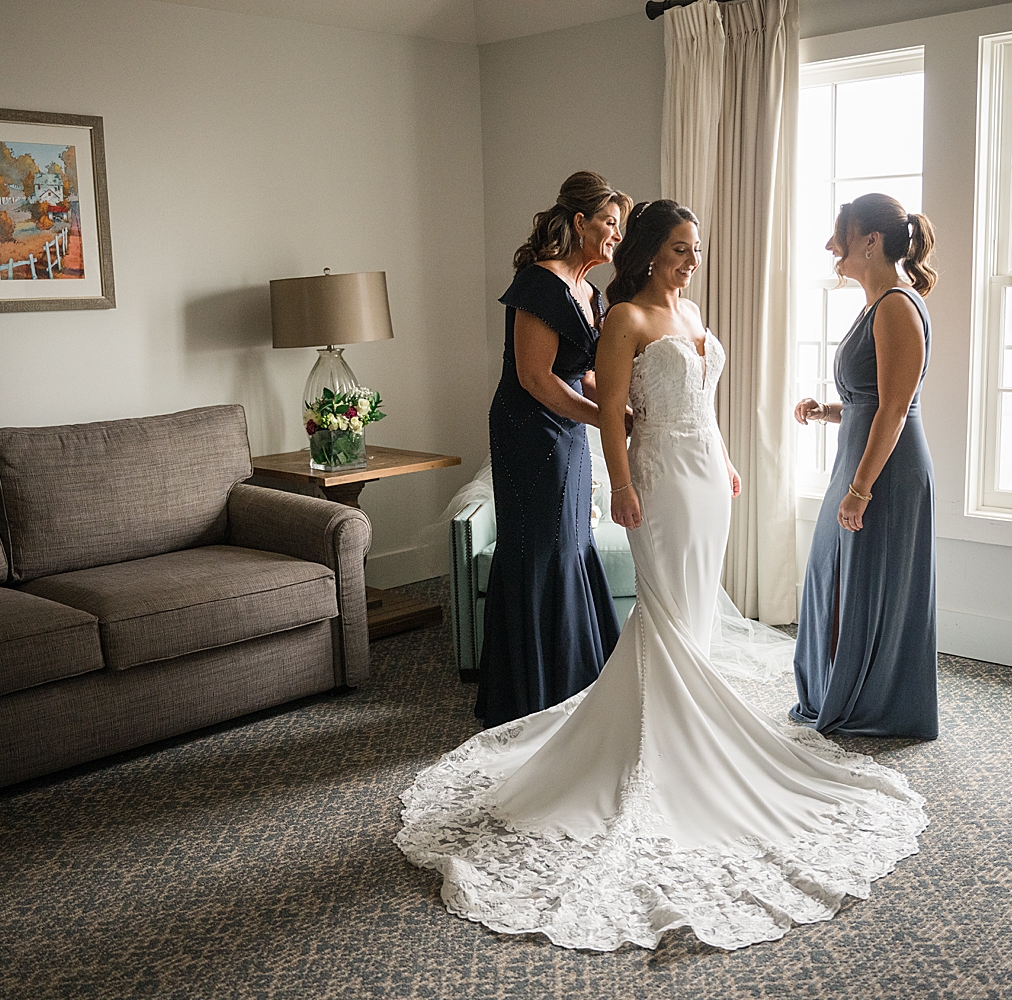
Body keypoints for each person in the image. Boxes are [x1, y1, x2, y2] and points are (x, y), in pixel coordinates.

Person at [397, 200, 927, 952]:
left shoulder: (693, 310)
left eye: (695, 249)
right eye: (679, 248)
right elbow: (611, 413)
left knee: (696, 618)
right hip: (659, 480)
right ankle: (658, 752)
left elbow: (701, 399)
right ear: (648, 253)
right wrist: (619, 484)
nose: (691, 260)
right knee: (668, 613)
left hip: (707, 475)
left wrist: (728, 459)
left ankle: (689, 738)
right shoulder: (626, 321)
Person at [473, 171, 634, 728]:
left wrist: (615, 410)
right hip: (528, 429)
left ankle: (576, 676)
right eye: (610, 224)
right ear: (580, 222)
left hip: (566, 430)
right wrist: (606, 420)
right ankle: (528, 690)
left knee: (571, 542)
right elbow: (535, 376)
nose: (616, 236)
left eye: (620, 227)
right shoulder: (539, 283)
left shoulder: (588, 291)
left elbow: (581, 372)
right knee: (538, 546)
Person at [791, 193, 939, 740]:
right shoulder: (880, 303)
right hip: (860, 465)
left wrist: (860, 489)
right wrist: (830, 409)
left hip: (883, 475)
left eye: (841, 236)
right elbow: (874, 398)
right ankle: (839, 688)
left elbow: (897, 408)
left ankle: (871, 701)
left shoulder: (898, 305)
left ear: (870, 242)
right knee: (832, 574)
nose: (832, 246)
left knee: (867, 581)